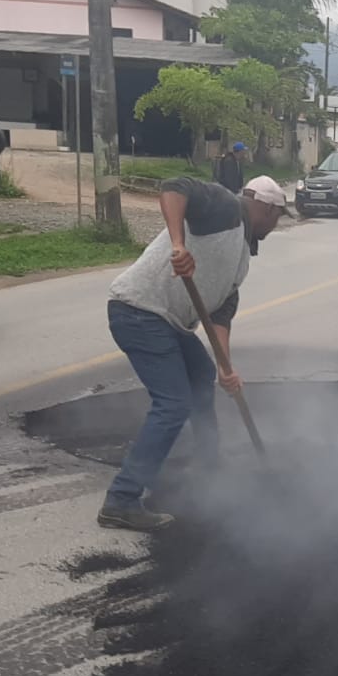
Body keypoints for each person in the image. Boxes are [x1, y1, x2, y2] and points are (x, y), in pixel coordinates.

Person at [98, 174, 290, 532]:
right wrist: (178, 244)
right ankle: (121, 500)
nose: (276, 225)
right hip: (138, 310)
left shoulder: (241, 261)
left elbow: (220, 316)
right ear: (265, 208)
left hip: (167, 322)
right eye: (278, 216)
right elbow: (174, 186)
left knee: (201, 375)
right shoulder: (226, 208)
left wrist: (225, 369)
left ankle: (209, 466)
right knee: (173, 404)